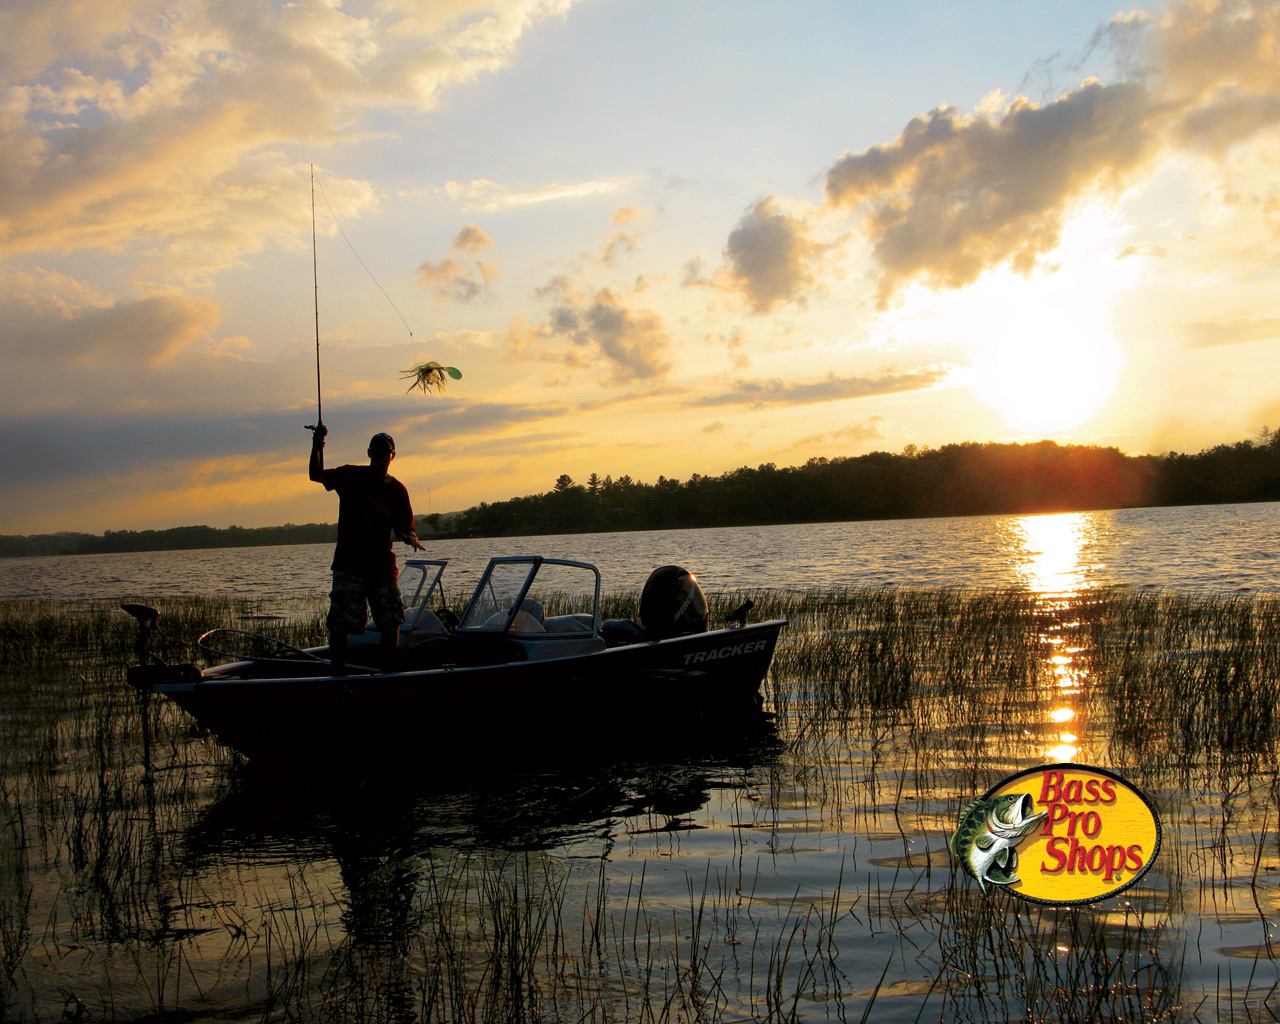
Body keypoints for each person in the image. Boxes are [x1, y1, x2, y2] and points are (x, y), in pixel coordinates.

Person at [310, 426, 424, 672]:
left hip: (381, 567)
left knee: (390, 622)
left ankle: (387, 675)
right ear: (369, 453)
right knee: (341, 626)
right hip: (348, 565)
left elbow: (407, 527)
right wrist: (318, 442)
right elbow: (315, 474)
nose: (382, 457)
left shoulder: (397, 490)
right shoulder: (350, 476)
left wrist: (410, 537)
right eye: (378, 452)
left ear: (393, 456)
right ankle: (337, 677)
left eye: (387, 452)